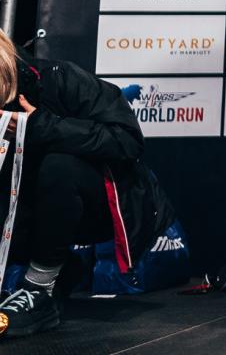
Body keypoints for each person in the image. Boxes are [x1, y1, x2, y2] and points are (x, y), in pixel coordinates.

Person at [0, 31, 175, 339]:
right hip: (30, 212)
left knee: (59, 165)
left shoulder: (59, 78)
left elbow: (127, 141)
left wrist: (40, 126)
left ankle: (39, 289)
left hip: (104, 204)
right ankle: (59, 270)